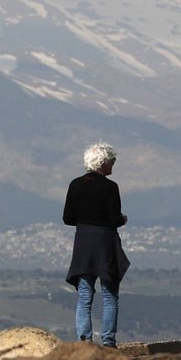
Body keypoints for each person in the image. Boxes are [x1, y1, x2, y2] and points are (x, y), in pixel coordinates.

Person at [63, 142, 130, 347]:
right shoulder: (110, 187)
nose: (113, 165)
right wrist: (122, 219)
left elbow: (67, 218)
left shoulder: (75, 184)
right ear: (103, 162)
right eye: (112, 161)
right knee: (110, 294)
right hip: (105, 243)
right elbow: (113, 219)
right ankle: (108, 342)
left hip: (83, 243)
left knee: (85, 296)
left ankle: (84, 341)